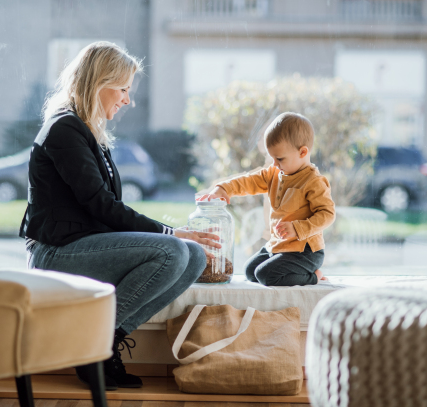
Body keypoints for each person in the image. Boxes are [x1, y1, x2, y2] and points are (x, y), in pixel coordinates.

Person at [19, 42, 220, 390]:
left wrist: (173, 234)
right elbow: (102, 206)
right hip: (55, 253)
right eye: (124, 89)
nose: (128, 99)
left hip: (84, 246)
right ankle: (92, 345)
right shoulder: (65, 129)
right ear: (99, 82)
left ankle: (103, 342)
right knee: (172, 250)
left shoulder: (89, 133)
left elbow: (106, 211)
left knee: (195, 257)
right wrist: (170, 233)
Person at [198, 112, 335, 286]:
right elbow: (249, 180)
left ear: (303, 152)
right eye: (272, 158)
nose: (275, 164)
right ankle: (292, 270)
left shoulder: (314, 181)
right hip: (278, 246)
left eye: (279, 159)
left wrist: (298, 228)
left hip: (304, 252)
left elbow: (327, 214)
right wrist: (224, 188)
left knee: (266, 275)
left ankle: (314, 276)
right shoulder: (275, 173)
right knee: (250, 271)